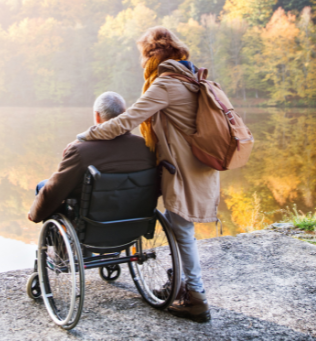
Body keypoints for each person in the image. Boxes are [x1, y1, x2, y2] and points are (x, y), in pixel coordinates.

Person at [74, 26, 218, 323]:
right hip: (200, 166)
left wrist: (87, 134)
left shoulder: (166, 84)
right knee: (182, 230)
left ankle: (196, 297)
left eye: (143, 56)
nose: (142, 63)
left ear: (152, 55)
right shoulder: (190, 76)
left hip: (182, 171)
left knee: (182, 231)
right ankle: (182, 285)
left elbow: (126, 120)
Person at [27, 91, 155, 223]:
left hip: (92, 224)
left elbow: (55, 191)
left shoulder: (80, 151)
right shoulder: (146, 146)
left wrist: (34, 214)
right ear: (124, 114)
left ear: (97, 116)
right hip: (133, 222)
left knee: (43, 186)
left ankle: (56, 241)